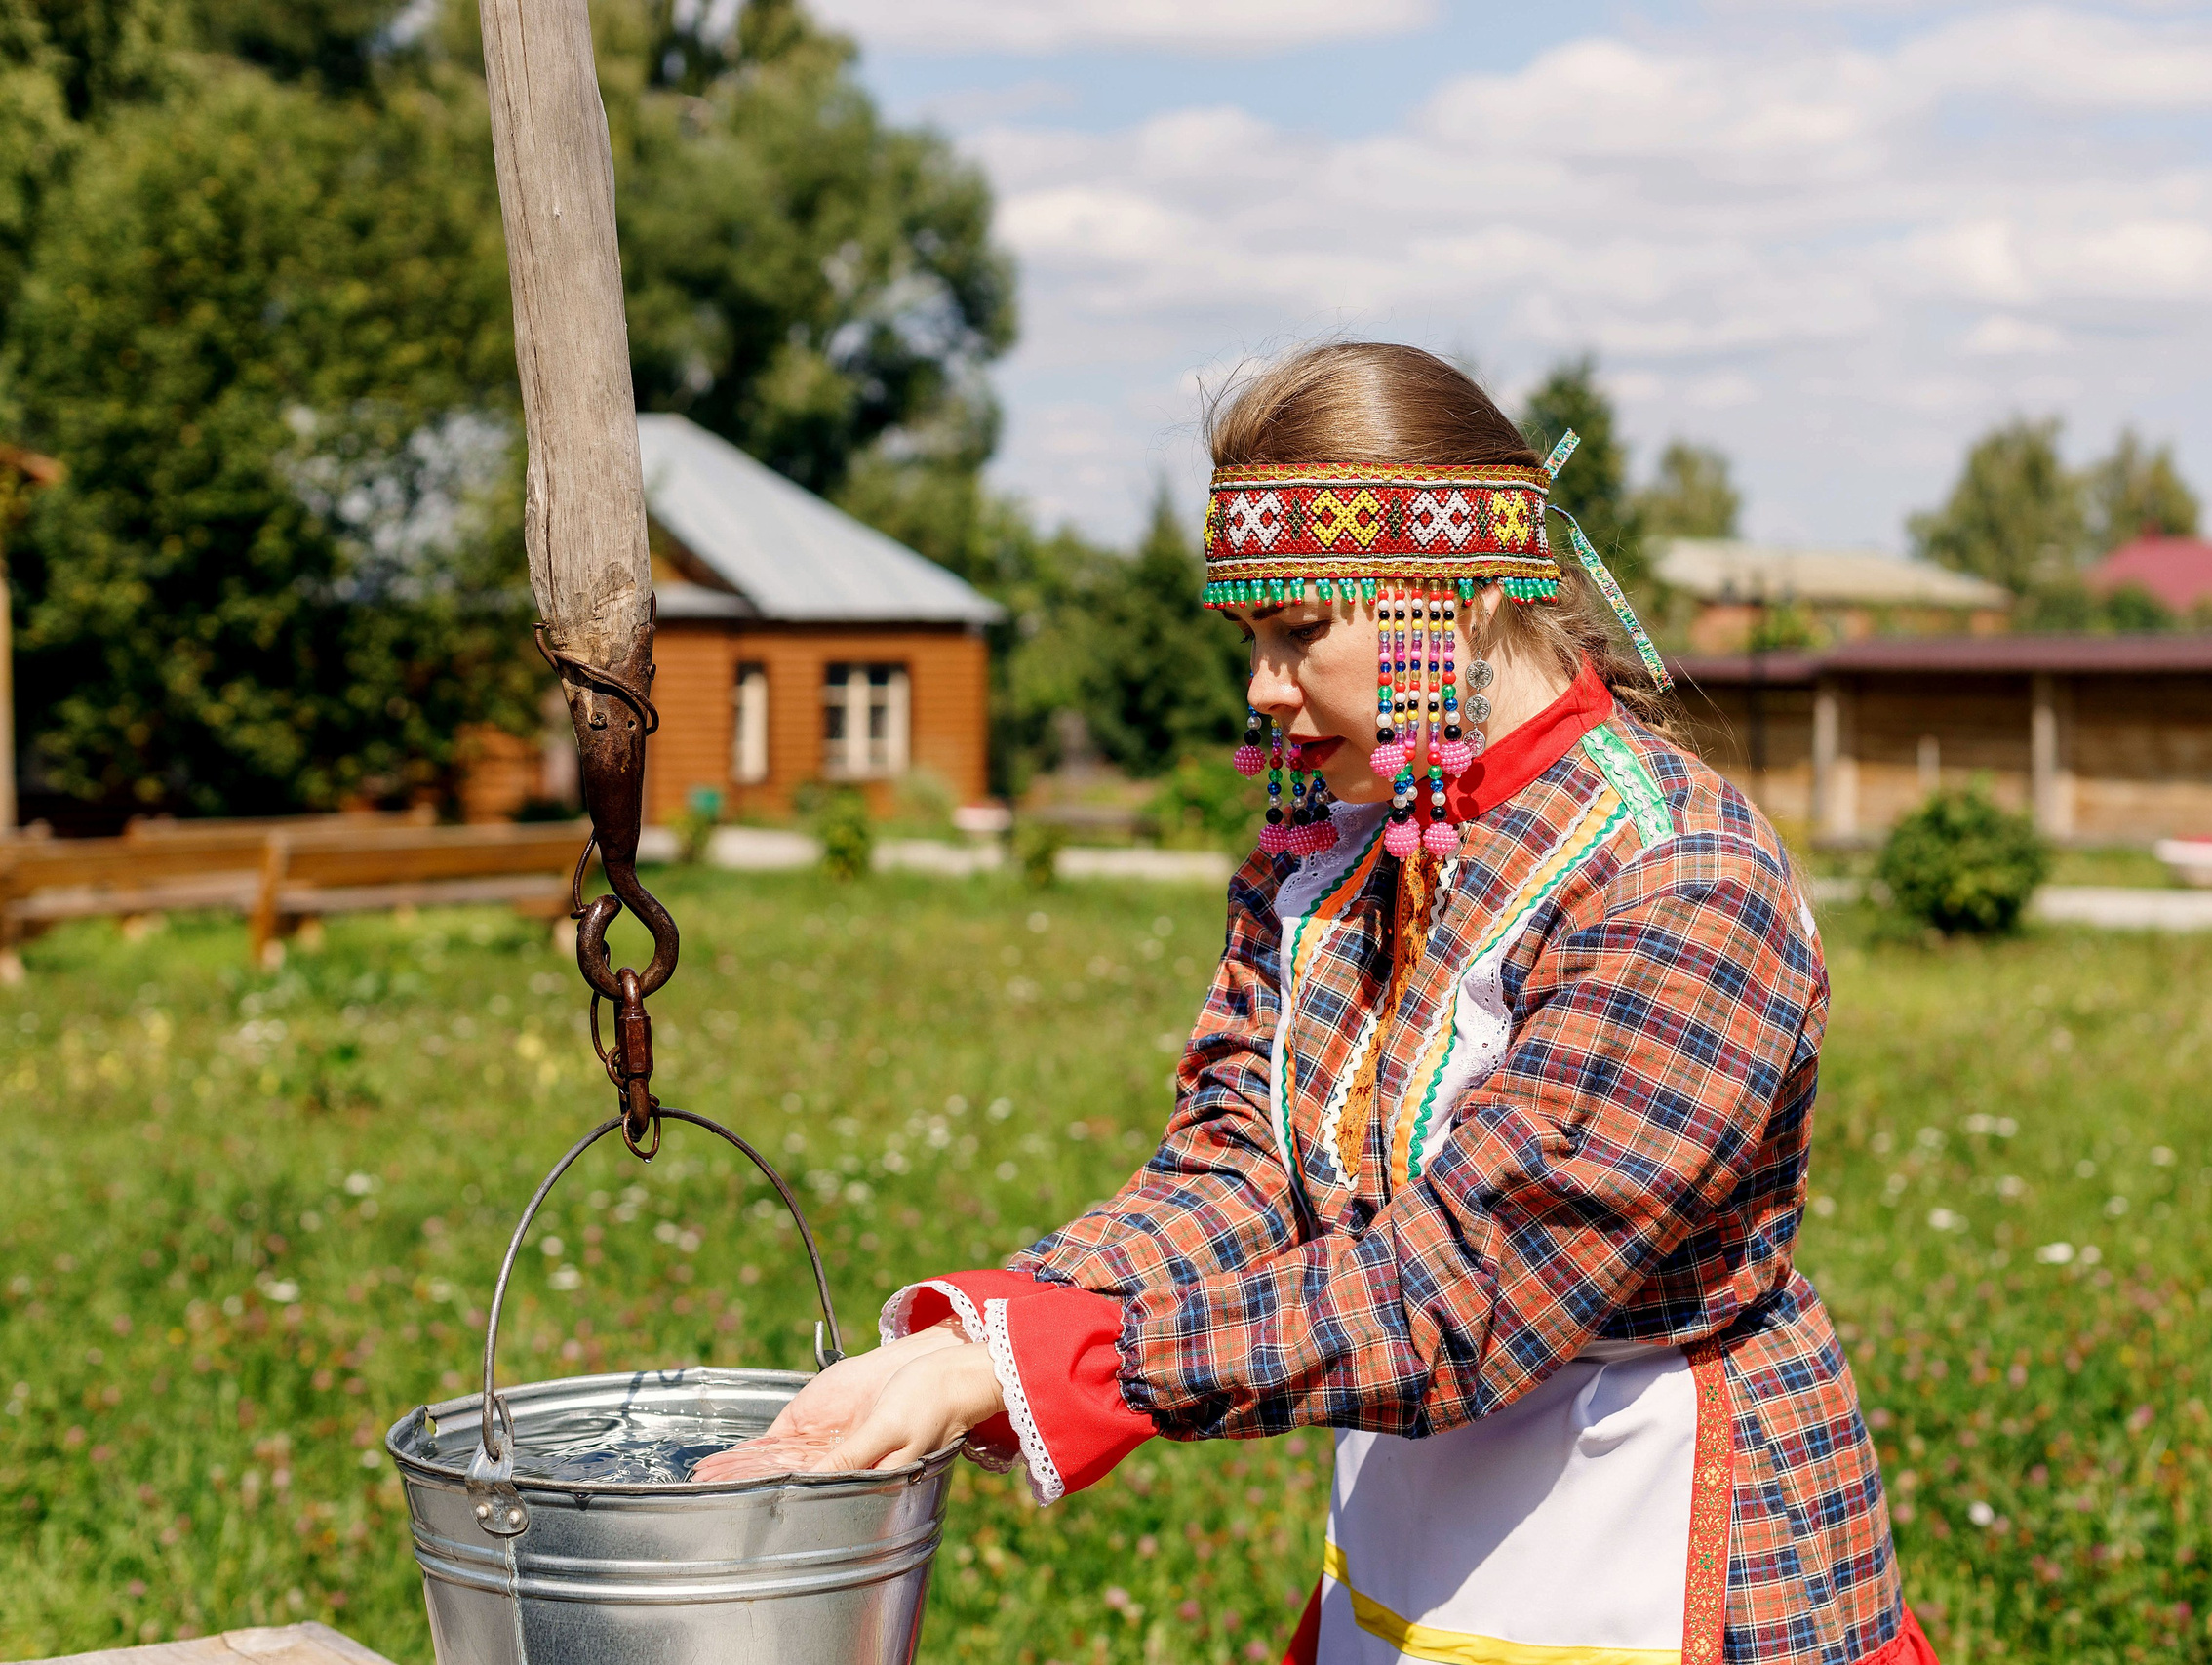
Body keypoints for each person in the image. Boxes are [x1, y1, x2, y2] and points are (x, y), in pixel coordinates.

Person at [695, 342, 1934, 1665]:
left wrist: (1056, 1361)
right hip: (1415, 1547)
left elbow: (1469, 1298)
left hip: (1675, 1554)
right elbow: (1244, 1174)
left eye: (1301, 631)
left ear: (1454, 597)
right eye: (1251, 637)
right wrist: (988, 1329)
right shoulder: (1336, 855)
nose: (1264, 692)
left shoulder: (1676, 874)